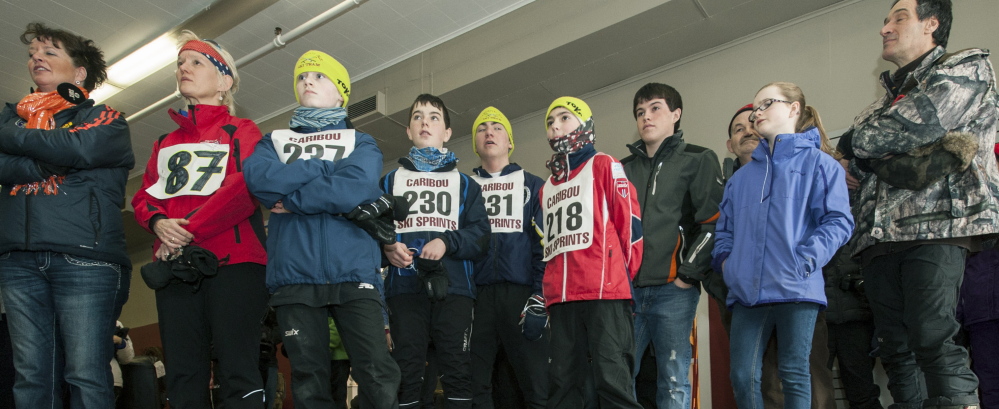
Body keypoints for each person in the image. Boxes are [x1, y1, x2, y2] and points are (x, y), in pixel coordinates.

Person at [836, 1, 999, 407]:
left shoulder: (966, 68)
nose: (885, 29)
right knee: (895, 348)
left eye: (898, 18)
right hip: (876, 240)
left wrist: (857, 146)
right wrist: (869, 150)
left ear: (932, 24)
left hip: (939, 228)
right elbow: (866, 151)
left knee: (932, 335)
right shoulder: (877, 105)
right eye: (885, 20)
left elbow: (916, 123)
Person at [243, 49, 401, 409]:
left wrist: (294, 198)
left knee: (378, 376)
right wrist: (322, 170)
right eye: (301, 77)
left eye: (319, 76)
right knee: (309, 383)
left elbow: (355, 187)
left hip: (354, 272)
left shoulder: (360, 142)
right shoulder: (273, 142)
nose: (308, 81)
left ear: (341, 93)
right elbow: (260, 179)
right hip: (294, 277)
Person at [131, 31, 269, 408]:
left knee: (237, 366)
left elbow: (244, 189)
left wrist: (185, 229)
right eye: (180, 63)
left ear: (224, 82)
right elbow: (143, 196)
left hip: (234, 263)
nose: (184, 69)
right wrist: (159, 223)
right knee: (182, 370)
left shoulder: (242, 131)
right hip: (176, 266)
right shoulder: (164, 142)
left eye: (196, 62)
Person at [0, 22, 134, 409]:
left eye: (50, 52)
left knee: (86, 374)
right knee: (30, 377)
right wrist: (43, 164)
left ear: (78, 73)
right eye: (32, 54)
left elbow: (78, 149)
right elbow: (57, 155)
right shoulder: (13, 116)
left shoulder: (106, 119)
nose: (36, 58)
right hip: (18, 261)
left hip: (86, 259)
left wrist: (12, 140)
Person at [711, 82, 853, 409]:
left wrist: (803, 260)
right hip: (746, 291)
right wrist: (728, 266)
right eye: (755, 107)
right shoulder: (739, 180)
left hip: (796, 288)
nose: (756, 113)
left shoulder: (821, 165)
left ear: (793, 109)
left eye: (766, 104)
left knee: (794, 372)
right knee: (743, 377)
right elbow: (724, 232)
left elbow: (839, 221)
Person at [381, 94, 490, 409]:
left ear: (446, 132)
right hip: (403, 290)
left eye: (433, 117)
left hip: (454, 291)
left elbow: (481, 236)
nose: (424, 122)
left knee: (457, 372)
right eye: (417, 117)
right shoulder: (389, 181)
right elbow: (369, 233)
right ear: (408, 130)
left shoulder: (466, 185)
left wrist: (447, 241)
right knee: (407, 374)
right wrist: (387, 247)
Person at [620, 83, 721, 409]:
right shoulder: (620, 170)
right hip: (628, 293)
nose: (646, 117)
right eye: (640, 112)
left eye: (655, 108)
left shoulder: (699, 158)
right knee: (618, 377)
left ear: (676, 114)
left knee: (674, 379)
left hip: (674, 291)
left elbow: (713, 223)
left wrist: (687, 275)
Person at [540, 96, 644, 409]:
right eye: (550, 121)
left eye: (564, 117)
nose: (556, 125)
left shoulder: (604, 164)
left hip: (605, 294)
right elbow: (547, 245)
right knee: (564, 386)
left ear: (584, 123)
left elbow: (631, 227)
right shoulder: (547, 186)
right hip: (561, 300)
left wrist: (621, 278)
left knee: (613, 383)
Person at [467, 106, 548, 409]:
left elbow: (545, 248)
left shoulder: (533, 185)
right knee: (476, 386)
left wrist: (539, 297)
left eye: (497, 127)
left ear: (510, 142)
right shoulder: (465, 188)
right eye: (481, 127)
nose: (489, 132)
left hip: (521, 296)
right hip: (477, 298)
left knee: (536, 386)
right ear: (475, 143)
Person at [111, 321, 135, 404]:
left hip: (112, 381)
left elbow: (127, 358)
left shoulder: (115, 323)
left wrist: (120, 342)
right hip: (77, 379)